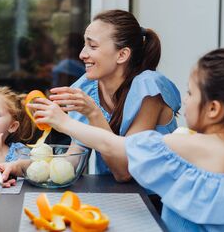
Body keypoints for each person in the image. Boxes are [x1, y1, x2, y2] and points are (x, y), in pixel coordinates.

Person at [27, 47, 224, 231]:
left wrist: (64, 122)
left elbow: (112, 145)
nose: (184, 100)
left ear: (214, 109)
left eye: (190, 93)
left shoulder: (192, 146)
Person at [48, 9, 181, 180]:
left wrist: (93, 113)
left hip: (157, 200)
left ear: (122, 54)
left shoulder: (148, 88)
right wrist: (23, 166)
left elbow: (125, 172)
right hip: (115, 196)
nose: (82, 54)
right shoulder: (86, 87)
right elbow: (73, 161)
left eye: (93, 46)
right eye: (84, 45)